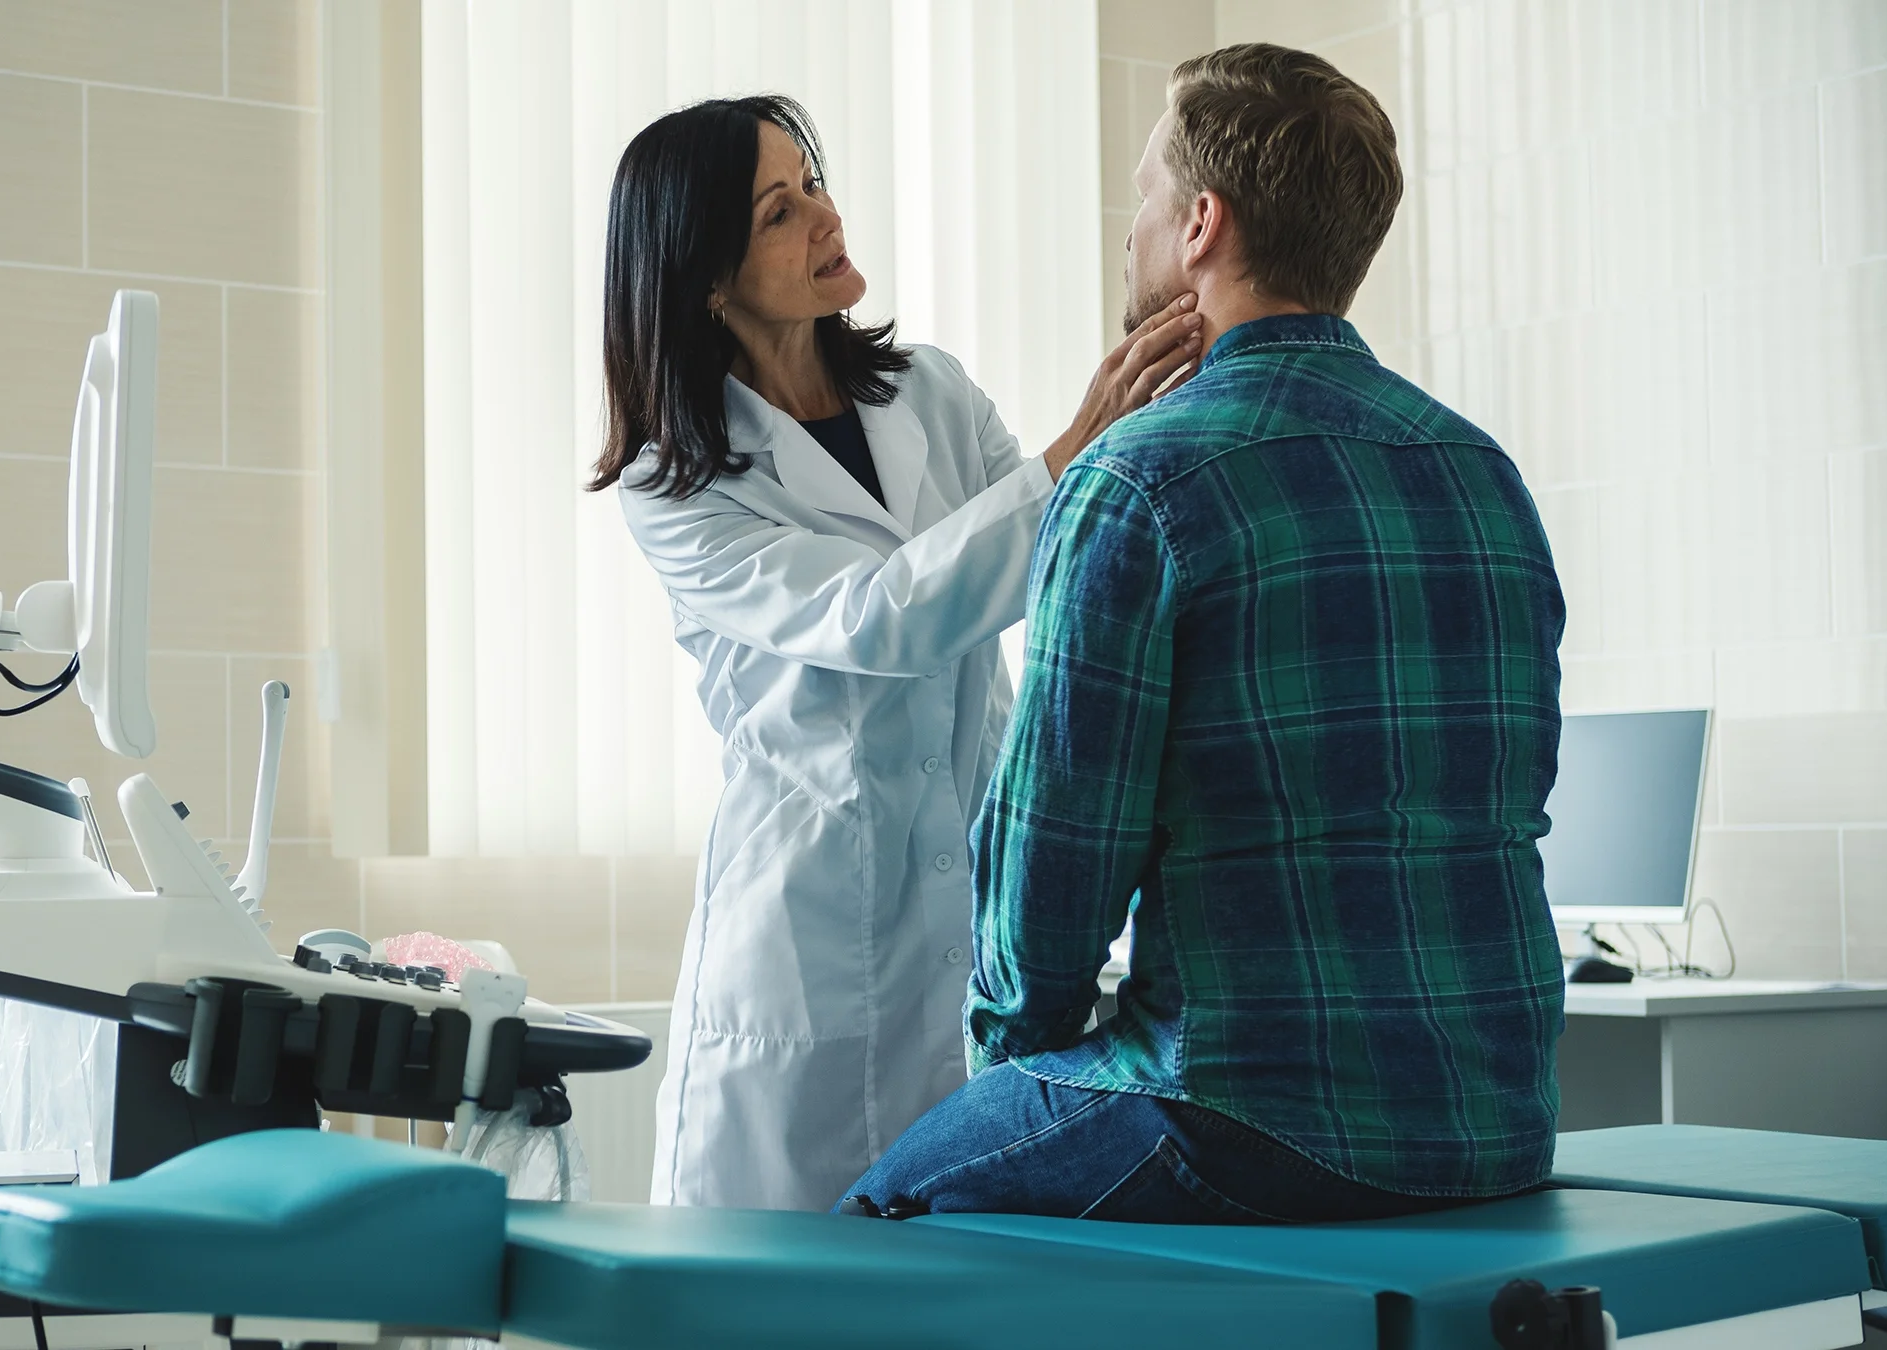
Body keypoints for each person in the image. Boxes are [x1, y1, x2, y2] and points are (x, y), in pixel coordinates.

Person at [841, 43, 1569, 1224]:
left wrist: (1014, 1070)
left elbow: (1052, 877)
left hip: (1245, 1121)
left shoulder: (1138, 480)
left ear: (1200, 224)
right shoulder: (1481, 471)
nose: (1129, 229)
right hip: (1499, 1124)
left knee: (874, 1221)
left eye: (1144, 194)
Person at [592, 94, 1202, 1211]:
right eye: (779, 212)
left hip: (966, 909)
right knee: (773, 1280)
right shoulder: (677, 484)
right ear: (708, 280)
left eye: (813, 183)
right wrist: (1078, 446)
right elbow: (874, 617)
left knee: (956, 1269)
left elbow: (1053, 564)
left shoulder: (932, 392)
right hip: (804, 947)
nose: (825, 218)